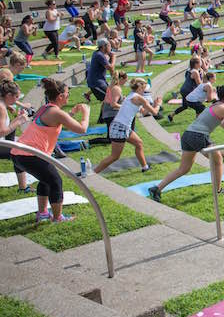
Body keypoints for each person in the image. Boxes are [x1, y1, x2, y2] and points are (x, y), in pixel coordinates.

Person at [148, 85, 224, 202]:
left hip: (188, 134)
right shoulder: (223, 109)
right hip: (198, 135)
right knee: (218, 160)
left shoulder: (216, 105)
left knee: (184, 169)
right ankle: (218, 191)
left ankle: (157, 189)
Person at [11, 78, 90, 222]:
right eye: (67, 93)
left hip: (20, 154)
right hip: (30, 155)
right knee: (55, 181)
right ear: (60, 96)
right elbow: (82, 129)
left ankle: (42, 214)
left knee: (45, 180)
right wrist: (86, 112)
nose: (68, 96)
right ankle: (58, 217)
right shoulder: (56, 113)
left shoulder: (46, 108)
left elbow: (56, 122)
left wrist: (71, 113)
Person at [93, 78, 162, 174]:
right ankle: (92, 173)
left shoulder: (131, 96)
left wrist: (154, 104)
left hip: (122, 127)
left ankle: (145, 167)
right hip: (120, 128)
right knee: (114, 156)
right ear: (140, 88)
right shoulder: (139, 98)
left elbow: (144, 112)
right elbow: (154, 113)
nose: (144, 91)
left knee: (139, 143)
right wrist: (158, 105)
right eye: (144, 89)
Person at [0, 80, 31, 193]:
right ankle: (23, 188)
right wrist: (18, 122)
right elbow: (1, 132)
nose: (17, 100)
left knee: (18, 147)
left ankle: (23, 187)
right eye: (16, 97)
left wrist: (17, 120)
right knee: (19, 151)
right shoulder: (1, 107)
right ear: (8, 95)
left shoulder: (3, 104)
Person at [167, 58, 204, 122]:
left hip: (184, 90)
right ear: (196, 64)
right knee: (199, 106)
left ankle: (171, 115)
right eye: (200, 62)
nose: (202, 63)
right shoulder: (195, 72)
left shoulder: (189, 70)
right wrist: (202, 75)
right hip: (188, 91)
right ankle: (197, 121)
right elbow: (199, 84)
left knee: (185, 106)